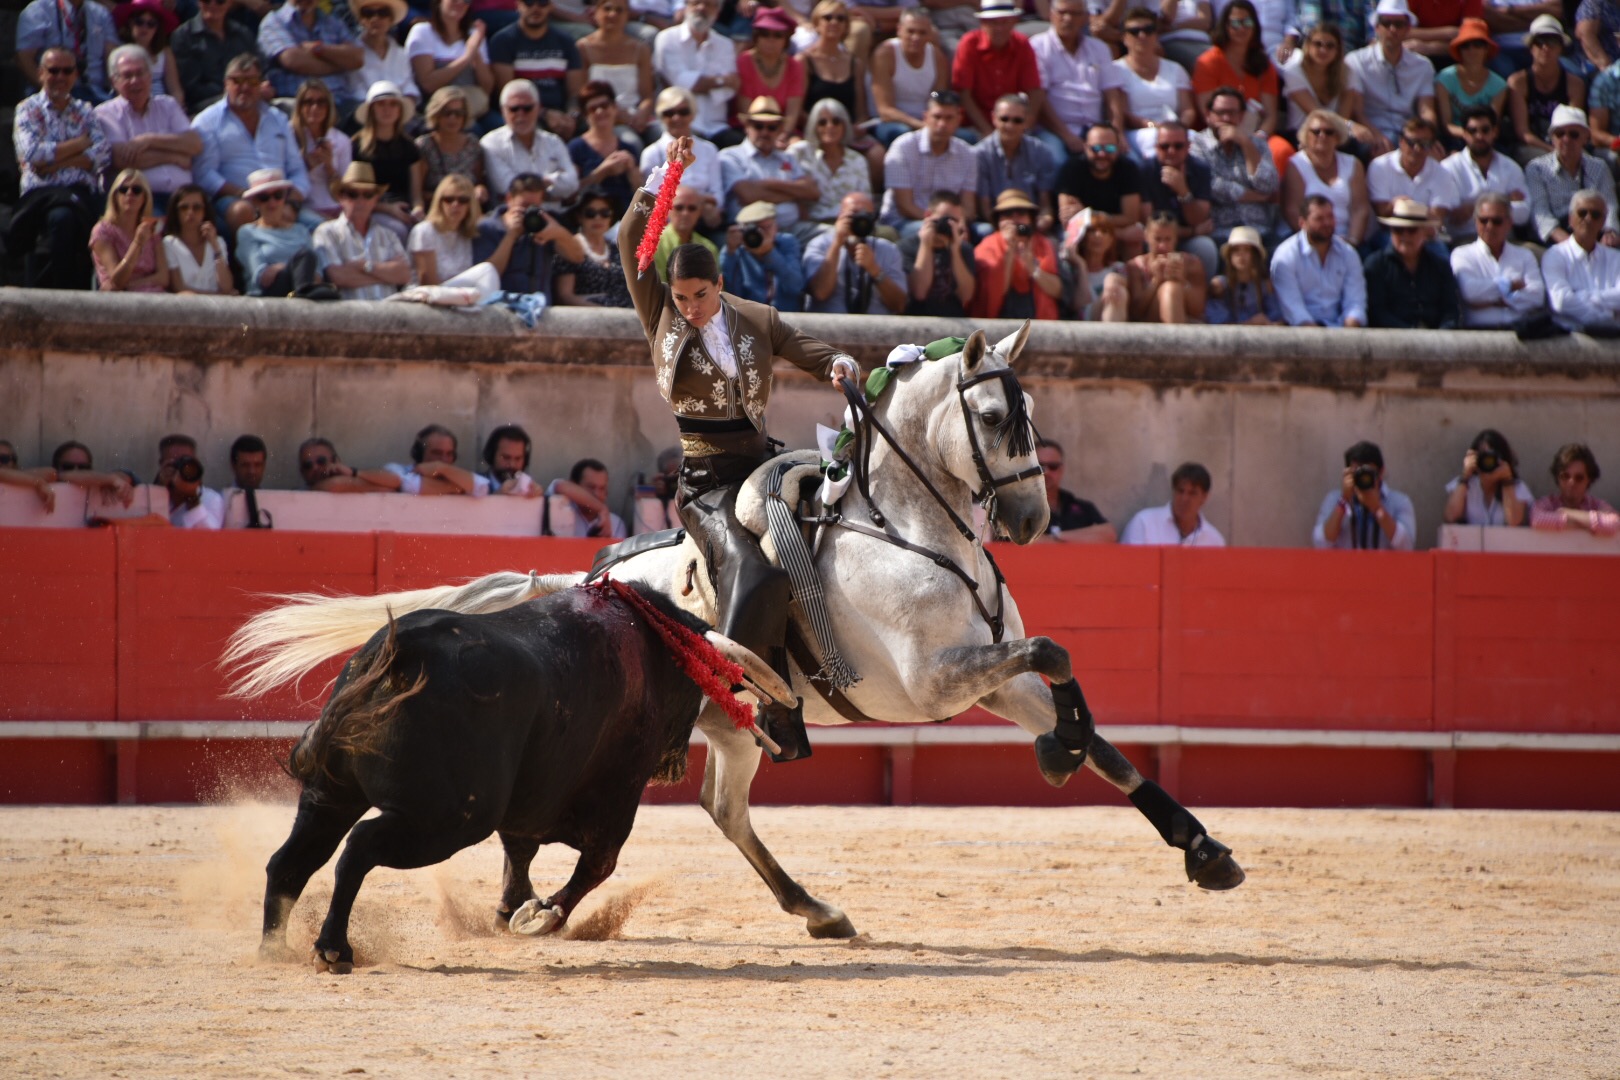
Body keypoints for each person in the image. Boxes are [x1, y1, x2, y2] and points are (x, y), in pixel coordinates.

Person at [619, 135, 862, 759]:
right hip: (705, 480)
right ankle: (761, 705)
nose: (691, 308)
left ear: (719, 285)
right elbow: (630, 241)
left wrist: (835, 362)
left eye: (700, 296)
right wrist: (666, 173)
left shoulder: (755, 318)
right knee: (754, 571)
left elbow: (806, 346)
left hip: (764, 464)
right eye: (681, 298)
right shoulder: (661, 317)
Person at [11, 47, 110, 291]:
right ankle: (61, 297)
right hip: (43, 194)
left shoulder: (85, 110)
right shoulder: (28, 109)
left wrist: (56, 162)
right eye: (53, 70)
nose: (60, 77)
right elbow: (32, 154)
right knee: (62, 218)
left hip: (81, 192)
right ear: (40, 73)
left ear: (76, 75)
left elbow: (103, 152)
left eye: (67, 70)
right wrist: (78, 145)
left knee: (113, 218)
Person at [192, 54, 312, 234]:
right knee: (242, 212)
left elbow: (297, 170)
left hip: (281, 201)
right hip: (235, 198)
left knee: (320, 227)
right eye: (238, 81)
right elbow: (204, 174)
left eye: (252, 81)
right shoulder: (207, 121)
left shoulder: (278, 119)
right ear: (226, 83)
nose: (245, 87)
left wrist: (291, 204)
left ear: (261, 84)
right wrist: (246, 195)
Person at [96, 45, 199, 214]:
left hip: (184, 196)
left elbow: (194, 144)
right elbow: (122, 160)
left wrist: (148, 140)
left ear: (150, 76)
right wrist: (174, 156)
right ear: (114, 81)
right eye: (127, 75)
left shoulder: (168, 105)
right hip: (141, 198)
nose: (135, 81)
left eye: (140, 73)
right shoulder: (105, 113)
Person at [1191, 0, 1283, 168]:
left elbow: (1270, 115)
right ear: (1224, 26)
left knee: (1281, 150)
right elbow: (1207, 113)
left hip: (1256, 134)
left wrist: (1258, 138)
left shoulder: (1264, 64)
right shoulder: (1208, 61)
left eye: (1247, 22)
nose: (1241, 28)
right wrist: (1235, 136)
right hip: (1219, 133)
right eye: (1235, 23)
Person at [1031, 0, 1126, 161]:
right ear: (1052, 15)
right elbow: (1039, 100)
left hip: (1096, 130)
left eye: (1075, 14)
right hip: (1055, 130)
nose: (1068, 19)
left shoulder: (1100, 48)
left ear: (1085, 18)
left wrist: (1116, 133)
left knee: (1131, 160)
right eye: (1062, 12)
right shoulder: (1037, 46)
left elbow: (1112, 97)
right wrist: (1066, 135)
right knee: (1058, 161)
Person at [472, 171, 587, 299]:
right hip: (501, 308)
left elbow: (578, 257)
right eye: (524, 205)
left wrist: (558, 233)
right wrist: (510, 236)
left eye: (535, 206)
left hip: (539, 308)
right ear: (509, 199)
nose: (529, 211)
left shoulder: (542, 223)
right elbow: (487, 274)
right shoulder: (487, 227)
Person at [880, 90, 979, 237]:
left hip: (950, 222)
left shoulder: (967, 154)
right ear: (925, 117)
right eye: (937, 117)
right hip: (905, 221)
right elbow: (905, 206)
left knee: (985, 232)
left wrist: (958, 222)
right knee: (929, 233)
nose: (942, 124)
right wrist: (941, 224)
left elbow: (969, 206)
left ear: (959, 120)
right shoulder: (903, 148)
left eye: (949, 118)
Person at [1190, 86, 1280, 244]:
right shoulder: (1197, 145)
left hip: (1259, 230)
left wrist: (1246, 144)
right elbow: (1211, 187)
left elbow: (1268, 185)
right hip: (1220, 231)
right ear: (1209, 115)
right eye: (1219, 113)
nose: (1225, 118)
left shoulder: (1256, 144)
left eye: (1232, 113)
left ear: (1241, 116)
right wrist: (1258, 197)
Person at [720, 96, 819, 238]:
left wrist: (768, 184)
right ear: (747, 126)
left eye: (771, 127)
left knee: (831, 235)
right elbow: (748, 195)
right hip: (750, 231)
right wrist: (794, 193)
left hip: (793, 228)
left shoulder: (788, 157)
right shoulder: (730, 156)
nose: (765, 132)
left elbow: (812, 191)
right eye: (758, 126)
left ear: (780, 129)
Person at [312, 161, 413, 299]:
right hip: (349, 316)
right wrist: (386, 274)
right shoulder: (327, 232)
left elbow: (404, 274)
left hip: (388, 316)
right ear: (342, 197)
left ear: (375, 199)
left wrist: (366, 266)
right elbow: (337, 277)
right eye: (353, 194)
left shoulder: (388, 235)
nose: (360, 200)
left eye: (367, 195)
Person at [1346, 0, 1441, 147]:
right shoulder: (1356, 61)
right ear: (1377, 27)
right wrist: (1379, 138)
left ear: (1408, 28)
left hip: (1411, 133)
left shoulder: (1423, 66)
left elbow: (1427, 111)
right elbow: (1358, 112)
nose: (1392, 29)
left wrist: (1428, 138)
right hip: (1373, 132)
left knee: (1434, 155)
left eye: (1399, 24)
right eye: (1386, 23)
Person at [651, 0, 742, 148]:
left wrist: (701, 83)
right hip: (679, 125)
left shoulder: (725, 45)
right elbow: (680, 83)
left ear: (717, 11)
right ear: (686, 7)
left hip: (717, 127)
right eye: (696, 3)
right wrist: (720, 81)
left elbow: (729, 90)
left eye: (708, 4)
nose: (701, 8)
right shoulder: (667, 38)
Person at [1525, 106, 1620, 248]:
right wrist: (1570, 244)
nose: (1566, 139)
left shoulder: (1599, 167)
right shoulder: (1537, 169)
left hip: (1594, 235)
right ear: (1552, 138)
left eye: (1573, 134)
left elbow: (1610, 204)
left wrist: (1610, 231)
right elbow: (1540, 214)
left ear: (1586, 137)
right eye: (1560, 134)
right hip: (1555, 240)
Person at [951, 0, 1043, 142]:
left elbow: (1035, 91)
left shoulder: (1022, 44)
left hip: (1013, 123)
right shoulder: (968, 44)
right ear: (983, 23)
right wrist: (987, 131)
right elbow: (964, 94)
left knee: (1051, 155)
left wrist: (1025, 124)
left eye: (1005, 22)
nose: (999, 28)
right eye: (993, 22)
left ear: (1014, 22)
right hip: (975, 126)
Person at [1114, 7, 1199, 161]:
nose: (1142, 36)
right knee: (1155, 144)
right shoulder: (1116, 70)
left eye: (1149, 30)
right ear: (1124, 38)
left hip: (1175, 129)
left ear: (1156, 34)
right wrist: (1153, 126)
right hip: (1140, 132)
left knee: (1200, 144)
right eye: (1134, 31)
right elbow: (1124, 113)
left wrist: (1178, 128)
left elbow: (1188, 110)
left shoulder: (1175, 69)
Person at [1451, 190, 1547, 327]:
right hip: (1478, 335)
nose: (1489, 226)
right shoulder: (1462, 254)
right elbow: (1469, 292)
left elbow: (1537, 296)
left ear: (1509, 223)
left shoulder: (1525, 255)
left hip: (1520, 333)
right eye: (1484, 220)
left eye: (1497, 221)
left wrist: (1494, 300)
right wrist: (1510, 286)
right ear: (1475, 222)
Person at [1281, 22, 1381, 152]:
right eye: (1318, 44)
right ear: (1308, 45)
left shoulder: (1347, 73)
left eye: (1330, 46)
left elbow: (1343, 115)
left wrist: (1349, 126)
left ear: (1338, 49)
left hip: (1333, 134)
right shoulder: (1293, 72)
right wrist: (1351, 125)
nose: (1323, 50)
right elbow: (1317, 113)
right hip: (1300, 135)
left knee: (1364, 145)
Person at [1271, 194, 1368, 326]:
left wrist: (1349, 333)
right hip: (1299, 334)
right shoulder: (1286, 256)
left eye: (1330, 217)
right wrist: (1318, 340)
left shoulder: (1348, 254)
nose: (1327, 223)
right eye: (1319, 219)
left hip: (1341, 332)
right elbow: (1293, 308)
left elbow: (1355, 302)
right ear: (1302, 223)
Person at [804, 192, 907, 314]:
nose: (860, 221)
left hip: (876, 328)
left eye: (867, 216)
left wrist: (875, 270)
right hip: (830, 326)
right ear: (840, 216)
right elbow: (820, 293)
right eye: (854, 214)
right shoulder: (820, 244)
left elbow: (899, 306)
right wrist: (837, 244)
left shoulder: (889, 250)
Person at [489, 0, 581, 137]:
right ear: (518, 4)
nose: (536, 8)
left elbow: (575, 92)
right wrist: (544, 114)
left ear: (551, 6)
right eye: (529, 3)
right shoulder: (503, 41)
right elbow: (507, 91)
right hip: (523, 111)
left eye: (542, 3)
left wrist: (572, 116)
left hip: (561, 112)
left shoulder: (566, 41)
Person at [1139, 120, 1219, 278]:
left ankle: (1204, 295)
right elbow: (1148, 224)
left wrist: (1183, 191)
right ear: (1156, 147)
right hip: (1156, 241)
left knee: (1206, 247)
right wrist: (1193, 231)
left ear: (1188, 146)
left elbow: (1199, 218)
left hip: (1186, 240)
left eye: (1178, 146)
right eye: (1164, 146)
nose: (1171, 151)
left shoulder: (1200, 169)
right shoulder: (1145, 171)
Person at [481, 78, 580, 204]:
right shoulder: (491, 144)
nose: (521, 114)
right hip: (510, 217)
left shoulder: (554, 142)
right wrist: (552, 181)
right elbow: (507, 187)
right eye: (514, 109)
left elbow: (572, 184)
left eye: (527, 108)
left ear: (538, 109)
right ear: (503, 111)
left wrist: (529, 184)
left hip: (553, 218)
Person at [1364, 197, 1460, 327]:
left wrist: (1440, 337)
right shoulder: (1376, 265)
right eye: (1398, 230)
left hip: (1437, 341)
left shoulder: (1440, 267)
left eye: (1411, 230)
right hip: (1390, 341)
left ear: (1424, 232)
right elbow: (1377, 313)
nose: (1405, 236)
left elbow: (1451, 311)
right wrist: (1412, 336)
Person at [258, 0, 364, 116]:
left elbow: (357, 58)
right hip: (298, 105)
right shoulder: (274, 22)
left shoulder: (332, 22)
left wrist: (318, 49)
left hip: (340, 101)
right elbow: (294, 61)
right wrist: (340, 63)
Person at [971, 93, 1057, 235]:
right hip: (995, 224)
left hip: (1030, 224)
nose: (1010, 125)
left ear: (1027, 121)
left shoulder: (1041, 152)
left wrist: (1044, 220)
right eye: (1004, 119)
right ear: (994, 118)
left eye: (1017, 120)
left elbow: (1045, 204)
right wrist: (1007, 230)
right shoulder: (980, 154)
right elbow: (985, 208)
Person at [1506, 15, 1586, 166]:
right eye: (1539, 42)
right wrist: (1552, 151)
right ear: (1531, 48)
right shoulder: (1518, 82)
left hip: (1567, 144)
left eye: (1552, 41)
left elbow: (1574, 126)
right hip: (1532, 146)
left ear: (1561, 48)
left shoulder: (1575, 84)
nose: (1545, 47)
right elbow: (1523, 132)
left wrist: (1563, 150)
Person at [1283, 109, 1371, 247]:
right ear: (1306, 135)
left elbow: (1360, 209)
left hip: (1347, 240)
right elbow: (1293, 210)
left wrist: (1352, 243)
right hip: (1310, 240)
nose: (1322, 136)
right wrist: (1318, 243)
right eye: (1316, 131)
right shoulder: (1296, 164)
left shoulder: (1353, 164)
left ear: (1338, 137)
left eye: (1329, 132)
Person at [1442, 105, 1529, 244]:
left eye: (1485, 130)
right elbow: (1454, 217)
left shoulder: (1511, 167)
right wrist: (1505, 201)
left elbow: (1523, 214)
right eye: (1472, 131)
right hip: (1466, 240)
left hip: (1507, 242)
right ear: (1464, 133)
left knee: (1536, 255)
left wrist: (1472, 207)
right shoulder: (1449, 167)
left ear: (1495, 132)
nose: (1479, 136)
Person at [640, 87, 724, 228]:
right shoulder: (651, 153)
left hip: (704, 219)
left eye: (683, 112)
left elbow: (718, 196)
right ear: (661, 117)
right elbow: (650, 198)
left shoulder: (709, 149)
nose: (676, 118)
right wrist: (692, 202)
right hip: (666, 224)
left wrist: (695, 205)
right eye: (669, 113)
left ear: (693, 114)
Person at [1056, 121, 1144, 256]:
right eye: (1096, 149)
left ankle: (1129, 274)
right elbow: (1070, 217)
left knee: (1135, 233)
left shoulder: (1128, 168)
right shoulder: (1072, 168)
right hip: (1086, 229)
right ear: (1085, 147)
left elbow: (1130, 217)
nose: (1102, 154)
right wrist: (1111, 228)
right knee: (1069, 235)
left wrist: (1087, 215)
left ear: (1119, 148)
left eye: (1110, 149)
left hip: (1108, 228)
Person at [972, 187, 1061, 319]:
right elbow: (991, 295)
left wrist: (1032, 268)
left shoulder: (1045, 244)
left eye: (1021, 213)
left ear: (1030, 218)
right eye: (1007, 214)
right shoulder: (987, 246)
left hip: (1039, 323)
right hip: (998, 323)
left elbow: (1057, 291)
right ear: (998, 221)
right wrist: (1009, 253)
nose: (1014, 219)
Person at [1367, 116, 1462, 236]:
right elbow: (1381, 213)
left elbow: (1437, 219)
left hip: (1426, 237)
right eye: (1411, 143)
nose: (1417, 148)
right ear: (1401, 142)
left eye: (1424, 144)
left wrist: (1407, 207)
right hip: (1389, 234)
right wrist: (1393, 205)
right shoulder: (1379, 166)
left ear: (1432, 146)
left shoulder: (1442, 173)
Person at [1312, 440, 1416, 550]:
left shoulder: (1399, 502)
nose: (1363, 478)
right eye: (1357, 473)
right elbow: (1321, 544)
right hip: (1345, 566)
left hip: (1384, 567)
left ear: (1381, 473)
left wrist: (1377, 508)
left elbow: (1406, 546)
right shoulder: (1334, 499)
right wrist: (1344, 501)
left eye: (1368, 473)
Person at [351, 80, 423, 240]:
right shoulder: (357, 146)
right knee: (398, 231)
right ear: (372, 110)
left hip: (404, 207)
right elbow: (353, 193)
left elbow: (416, 193)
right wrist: (387, 209)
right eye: (381, 104)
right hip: (371, 208)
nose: (387, 109)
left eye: (393, 104)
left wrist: (418, 209)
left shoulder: (410, 147)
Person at [578, 0, 655, 145]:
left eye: (619, 10)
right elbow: (581, 95)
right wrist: (616, 115)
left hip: (634, 116)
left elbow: (647, 96)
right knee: (632, 143)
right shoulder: (583, 48)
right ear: (596, 12)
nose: (613, 14)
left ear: (627, 14)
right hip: (601, 117)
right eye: (607, 9)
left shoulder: (640, 49)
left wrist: (642, 114)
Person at [409, 0, 495, 129]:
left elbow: (487, 88)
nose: (460, 3)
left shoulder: (474, 34)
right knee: (474, 130)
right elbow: (428, 84)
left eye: (466, 0)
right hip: (436, 110)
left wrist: (476, 52)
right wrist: (467, 56)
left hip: (472, 108)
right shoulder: (422, 31)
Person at [234, 168, 321, 296]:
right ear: (255, 202)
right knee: (303, 258)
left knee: (306, 256)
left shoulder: (301, 231)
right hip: (267, 295)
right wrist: (295, 267)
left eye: (278, 195)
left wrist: (278, 267)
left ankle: (301, 295)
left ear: (284, 197)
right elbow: (262, 276)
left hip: (302, 290)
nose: (272, 202)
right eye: (264, 197)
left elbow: (318, 275)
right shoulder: (247, 232)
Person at [789, 98, 874, 228]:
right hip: (812, 224)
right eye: (822, 122)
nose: (830, 126)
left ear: (844, 125)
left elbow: (865, 200)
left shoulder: (857, 160)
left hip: (849, 223)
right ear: (814, 126)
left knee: (888, 233)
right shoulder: (800, 153)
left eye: (836, 121)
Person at [870, 8, 950, 147]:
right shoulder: (885, 54)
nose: (916, 38)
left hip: (927, 122)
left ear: (930, 34)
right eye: (911, 31)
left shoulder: (937, 57)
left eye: (922, 33)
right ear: (899, 30)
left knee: (966, 137)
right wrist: (921, 126)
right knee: (904, 134)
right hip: (891, 123)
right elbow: (885, 110)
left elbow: (937, 94)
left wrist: (933, 97)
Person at [1542, 189, 1620, 329]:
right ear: (1571, 219)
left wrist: (1583, 296)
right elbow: (1561, 301)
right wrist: (1604, 316)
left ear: (1603, 222)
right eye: (1582, 213)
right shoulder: (1555, 255)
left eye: (1595, 215)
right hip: (1570, 339)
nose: (1588, 219)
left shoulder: (1616, 258)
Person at [15, 0, 118, 104]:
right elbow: (23, 59)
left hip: (96, 92)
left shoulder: (101, 13)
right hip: (52, 91)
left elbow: (113, 58)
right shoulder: (37, 11)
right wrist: (51, 90)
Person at [171, 0, 260, 115]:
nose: (213, 5)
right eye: (207, 0)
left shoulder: (243, 34)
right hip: (205, 108)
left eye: (220, 1)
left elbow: (258, 68)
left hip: (246, 98)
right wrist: (232, 92)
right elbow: (192, 88)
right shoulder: (183, 37)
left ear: (229, 3)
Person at [354, 424, 495, 495]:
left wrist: (442, 468)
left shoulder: (455, 475)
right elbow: (408, 485)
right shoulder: (397, 469)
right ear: (419, 453)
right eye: (437, 453)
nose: (444, 459)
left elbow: (483, 487)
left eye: (449, 454)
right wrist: (459, 488)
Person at [90, 166, 170, 292]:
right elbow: (117, 281)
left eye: (136, 190)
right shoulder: (102, 231)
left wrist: (134, 284)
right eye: (123, 189)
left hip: (154, 297)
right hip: (121, 302)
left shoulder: (152, 228)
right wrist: (137, 243)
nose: (129, 193)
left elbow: (163, 277)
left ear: (145, 198)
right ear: (115, 196)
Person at [901, 190, 978, 316]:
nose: (947, 225)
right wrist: (926, 245)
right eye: (944, 219)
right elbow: (919, 293)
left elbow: (966, 295)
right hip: (917, 321)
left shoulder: (964, 250)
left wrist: (955, 251)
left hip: (954, 320)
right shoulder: (908, 246)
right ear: (928, 215)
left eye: (954, 221)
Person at [569, 79, 643, 210]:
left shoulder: (629, 148)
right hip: (592, 217)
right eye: (593, 109)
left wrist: (631, 169)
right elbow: (571, 194)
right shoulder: (575, 148)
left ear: (614, 107)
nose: (599, 112)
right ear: (585, 115)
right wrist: (602, 172)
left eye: (604, 106)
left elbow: (642, 195)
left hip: (624, 217)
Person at [553, 188, 634, 306]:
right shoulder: (568, 248)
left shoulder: (619, 250)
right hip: (588, 319)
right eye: (590, 213)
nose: (598, 218)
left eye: (604, 213)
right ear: (578, 217)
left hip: (628, 317)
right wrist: (603, 311)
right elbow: (565, 297)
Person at [735, 7, 805, 139]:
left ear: (786, 39)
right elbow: (745, 111)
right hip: (749, 130)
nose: (771, 39)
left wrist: (781, 137)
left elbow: (792, 113)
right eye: (764, 34)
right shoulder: (744, 61)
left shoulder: (795, 66)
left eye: (778, 35)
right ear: (756, 36)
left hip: (782, 133)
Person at [1435, 18, 1507, 147]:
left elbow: (1491, 124)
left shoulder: (1499, 86)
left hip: (1485, 140)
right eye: (1465, 45)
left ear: (1486, 49)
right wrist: (1469, 135)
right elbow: (1447, 125)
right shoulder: (1444, 78)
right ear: (1459, 50)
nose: (1471, 50)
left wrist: (1478, 137)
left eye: (1478, 44)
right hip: (1453, 139)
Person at [721, 201, 805, 311]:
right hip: (750, 318)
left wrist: (770, 253)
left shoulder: (787, 243)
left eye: (766, 227)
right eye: (755, 229)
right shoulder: (735, 250)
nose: (761, 234)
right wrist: (731, 253)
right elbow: (731, 295)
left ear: (776, 226)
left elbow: (795, 287)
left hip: (787, 318)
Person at [291, 79, 354, 222]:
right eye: (308, 102)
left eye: (321, 102)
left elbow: (346, 191)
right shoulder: (288, 135)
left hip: (336, 207)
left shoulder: (341, 140)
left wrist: (329, 166)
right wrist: (307, 165)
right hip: (301, 208)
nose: (315, 108)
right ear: (299, 106)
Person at [1120, 462, 1226, 546]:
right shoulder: (1145, 523)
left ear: (1204, 497)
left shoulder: (1214, 540)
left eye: (1192, 493)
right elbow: (1129, 567)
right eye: (1180, 491)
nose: (1184, 498)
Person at [1128, 210, 1207, 322]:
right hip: (1149, 324)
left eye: (1168, 239)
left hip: (1187, 321)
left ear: (1176, 238)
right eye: (1157, 239)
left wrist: (1182, 282)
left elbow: (1199, 310)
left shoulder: (1192, 264)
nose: (1162, 246)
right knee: (1171, 288)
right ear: (1146, 236)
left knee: (1172, 287)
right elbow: (1135, 313)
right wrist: (1156, 281)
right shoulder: (1136, 266)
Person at [1443, 428, 1532, 527]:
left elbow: (1514, 521)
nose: (1488, 462)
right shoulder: (1464, 484)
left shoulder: (1517, 487)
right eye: (1483, 456)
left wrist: (1507, 480)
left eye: (1492, 457)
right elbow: (1451, 517)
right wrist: (1466, 475)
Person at [408, 172, 486, 284]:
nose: (455, 205)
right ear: (439, 202)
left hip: (461, 294)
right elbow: (427, 282)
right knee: (487, 270)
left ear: (470, 205)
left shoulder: (467, 233)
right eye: (449, 199)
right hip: (427, 295)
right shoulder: (424, 231)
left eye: (462, 200)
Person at [1034, 439, 1114, 544]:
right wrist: (1078, 538)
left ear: (1061, 469)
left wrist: (1055, 537)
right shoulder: (1015, 509)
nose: (1046, 472)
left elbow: (1108, 535)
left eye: (1053, 466)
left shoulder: (1082, 507)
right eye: (1040, 466)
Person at [1530, 443, 1619, 536]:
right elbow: (1536, 520)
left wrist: (1567, 512)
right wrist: (1589, 524)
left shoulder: (1596, 505)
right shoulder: (1548, 503)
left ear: (1589, 480)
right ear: (1557, 478)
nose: (1571, 483)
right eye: (1565, 476)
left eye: (1579, 478)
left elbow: (1613, 524)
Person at [164, 182, 237, 293]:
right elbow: (179, 288)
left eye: (197, 207)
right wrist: (219, 297)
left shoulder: (218, 242)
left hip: (219, 308)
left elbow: (227, 286)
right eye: (184, 207)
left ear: (204, 211)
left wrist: (215, 247)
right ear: (176, 212)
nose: (190, 212)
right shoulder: (169, 243)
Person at [349, 0, 420, 112]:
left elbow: (409, 89)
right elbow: (356, 93)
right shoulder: (352, 54)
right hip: (365, 115)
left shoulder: (402, 54)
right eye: (368, 13)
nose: (375, 19)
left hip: (400, 114)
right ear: (360, 20)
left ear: (391, 19)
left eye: (383, 13)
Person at [1205, 224, 1283, 324]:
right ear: (1230, 255)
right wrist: (1250, 323)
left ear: (1255, 256)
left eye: (1246, 250)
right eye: (1236, 250)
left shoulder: (1265, 286)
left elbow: (1277, 317)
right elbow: (1218, 322)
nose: (1240, 255)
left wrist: (1269, 324)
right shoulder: (1220, 286)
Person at [115, 0, 185, 110]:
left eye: (151, 24)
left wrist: (174, 112)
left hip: (164, 109)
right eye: (139, 22)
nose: (145, 28)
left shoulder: (165, 52)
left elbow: (175, 90)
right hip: (133, 108)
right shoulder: (120, 54)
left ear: (157, 28)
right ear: (130, 23)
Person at [1066, 208, 1131, 321]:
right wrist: (1081, 265)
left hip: (1110, 319)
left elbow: (1124, 287)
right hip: (1081, 326)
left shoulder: (1118, 268)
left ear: (1111, 240)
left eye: (1104, 231)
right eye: (1092, 231)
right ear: (1083, 236)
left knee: (1117, 291)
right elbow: (1080, 305)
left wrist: (1112, 279)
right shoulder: (1071, 269)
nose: (1098, 235)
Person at [156, 434, 225, 529]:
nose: (180, 469)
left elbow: (209, 536)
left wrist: (192, 498)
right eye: (174, 463)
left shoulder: (211, 498)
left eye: (186, 463)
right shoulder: (149, 497)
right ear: (161, 464)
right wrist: (159, 489)